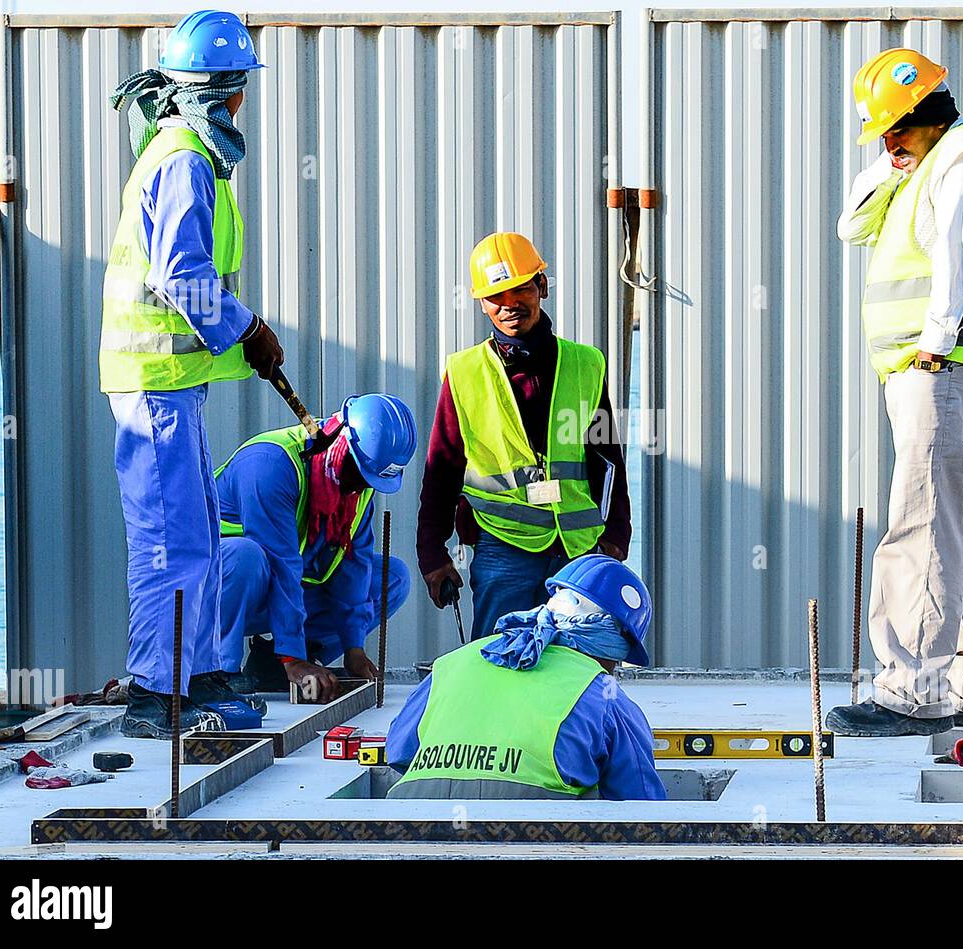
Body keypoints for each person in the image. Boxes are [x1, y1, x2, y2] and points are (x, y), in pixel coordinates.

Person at [825, 49, 963, 737]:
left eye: (894, 130)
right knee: (959, 530)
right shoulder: (925, 162)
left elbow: (960, 261)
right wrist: (893, 160)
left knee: (924, 526)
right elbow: (851, 223)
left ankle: (912, 690)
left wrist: (935, 344)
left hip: (944, 368)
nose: (886, 142)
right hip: (942, 373)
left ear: (927, 116)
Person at [102, 11, 284, 738]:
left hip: (172, 386)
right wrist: (249, 330)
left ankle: (199, 673)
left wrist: (239, 340)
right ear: (225, 91)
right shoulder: (182, 160)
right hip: (152, 386)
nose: (244, 105)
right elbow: (183, 275)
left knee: (200, 533)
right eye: (241, 91)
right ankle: (156, 694)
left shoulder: (186, 155)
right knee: (168, 538)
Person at [417, 232, 632, 641]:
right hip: (503, 546)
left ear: (542, 287)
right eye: (495, 296)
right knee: (501, 667)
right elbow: (441, 470)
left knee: (580, 666)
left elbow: (608, 459)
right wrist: (432, 553)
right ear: (481, 303)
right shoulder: (464, 374)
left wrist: (616, 535)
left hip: (578, 547)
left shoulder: (585, 364)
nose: (509, 304)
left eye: (520, 289)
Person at [385, 555, 666, 800]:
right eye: (617, 660)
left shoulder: (451, 664)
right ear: (609, 644)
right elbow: (641, 807)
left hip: (412, 826)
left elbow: (398, 752)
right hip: (530, 842)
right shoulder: (604, 695)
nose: (613, 670)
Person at [216, 395, 417, 703]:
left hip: (272, 589)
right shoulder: (269, 465)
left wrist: (354, 648)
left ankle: (276, 662)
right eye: (360, 473)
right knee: (246, 557)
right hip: (212, 594)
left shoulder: (355, 486)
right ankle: (218, 674)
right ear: (342, 442)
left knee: (392, 578)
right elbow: (281, 565)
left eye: (369, 480)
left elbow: (354, 566)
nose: (359, 486)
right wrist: (292, 658)